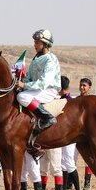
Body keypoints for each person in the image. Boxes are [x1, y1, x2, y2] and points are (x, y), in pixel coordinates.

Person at [16, 29, 60, 158]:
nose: (35, 44)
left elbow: (43, 83)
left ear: (45, 44)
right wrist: (20, 82)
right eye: (35, 42)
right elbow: (29, 76)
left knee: (21, 96)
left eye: (38, 42)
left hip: (49, 89)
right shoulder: (37, 58)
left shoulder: (51, 59)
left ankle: (48, 118)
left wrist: (24, 86)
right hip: (37, 89)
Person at [59, 76, 83, 190]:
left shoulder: (69, 101)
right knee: (63, 163)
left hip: (69, 136)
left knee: (69, 163)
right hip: (61, 136)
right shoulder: (61, 99)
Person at [77, 78, 93, 190]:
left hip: (88, 133)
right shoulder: (76, 100)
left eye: (84, 85)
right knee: (70, 160)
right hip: (75, 133)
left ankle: (87, 182)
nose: (82, 87)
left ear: (89, 87)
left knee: (89, 158)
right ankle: (70, 182)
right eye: (81, 85)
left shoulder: (93, 101)